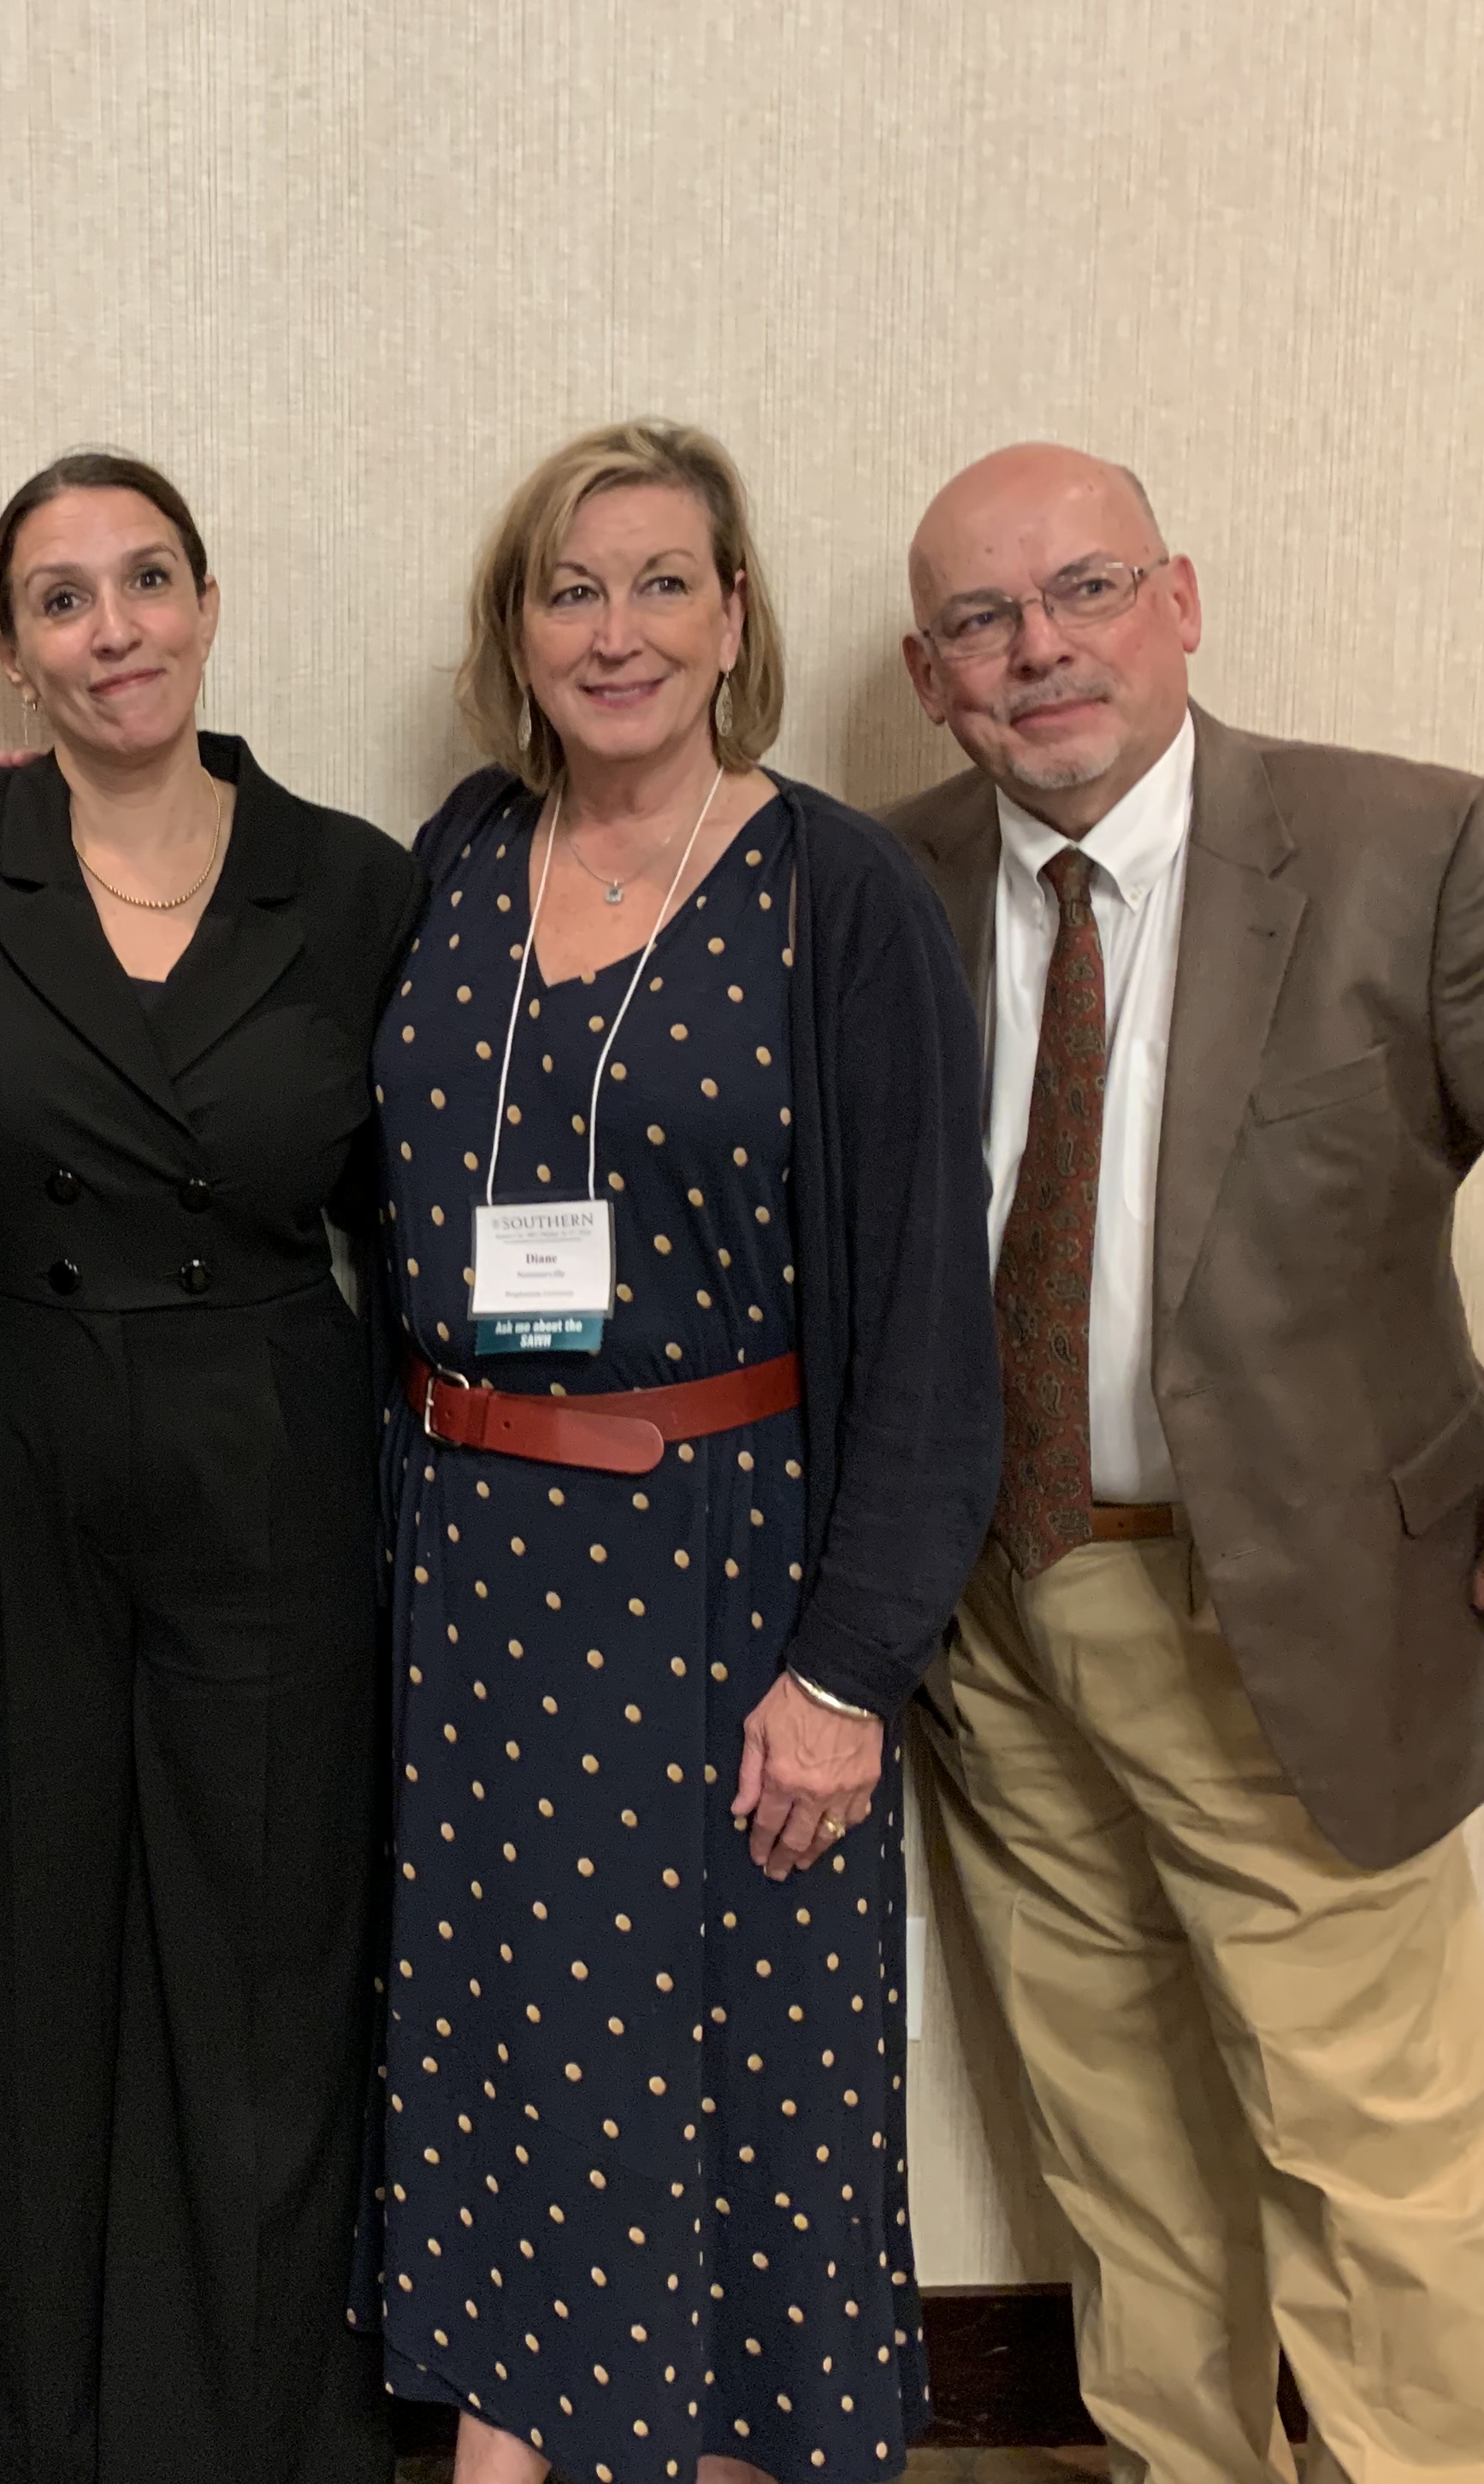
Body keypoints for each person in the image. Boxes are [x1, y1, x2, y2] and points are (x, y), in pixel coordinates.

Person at [886, 441, 1484, 2484]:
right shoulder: (886, 878)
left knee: (1376, 2167)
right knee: (1112, 2143)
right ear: (930, 680)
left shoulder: (1414, 850)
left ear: (1183, 600)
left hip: (1282, 1620)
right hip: (998, 1624)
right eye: (982, 622)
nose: (1042, 651)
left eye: (1086, 590)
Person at [372, 421, 999, 2484]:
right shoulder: (464, 858)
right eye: (572, 587)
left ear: (737, 618)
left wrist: (846, 1675)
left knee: (739, 2099)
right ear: (516, 630)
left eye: (662, 582)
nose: (617, 628)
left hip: (724, 1592)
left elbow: (925, 1327)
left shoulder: (842, 896)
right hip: (472, 1579)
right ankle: (513, 2444)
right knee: (513, 2071)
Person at [0, 452, 418, 2484]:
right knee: (3, 1961)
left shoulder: (353, 876)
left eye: (147, 580)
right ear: (12, 658)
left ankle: (244, 2433)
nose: (116, 630)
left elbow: (415, 1196)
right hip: (0, 1432)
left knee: (263, 1964)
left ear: (207, 598)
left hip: (270, 1445)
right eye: (64, 601)